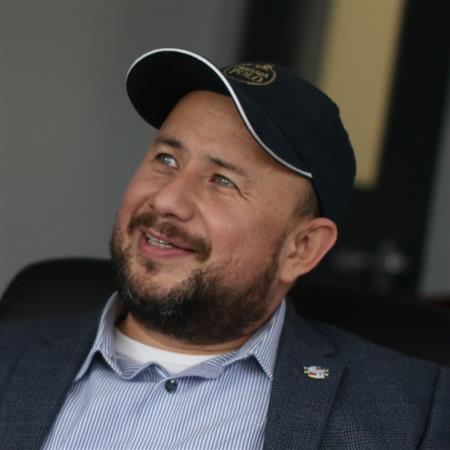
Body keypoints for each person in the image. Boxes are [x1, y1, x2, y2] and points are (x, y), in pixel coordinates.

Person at [1, 48, 449, 450]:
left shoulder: (414, 414)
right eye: (166, 160)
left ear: (302, 248)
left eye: (222, 180)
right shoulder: (10, 358)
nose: (167, 201)